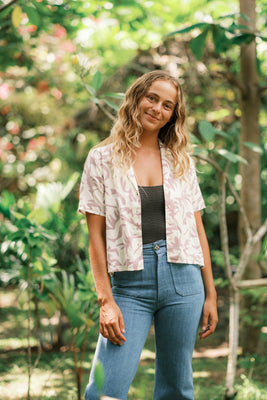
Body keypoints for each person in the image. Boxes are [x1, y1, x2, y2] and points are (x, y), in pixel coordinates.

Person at [78, 70, 218, 400]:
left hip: (184, 281)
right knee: (103, 391)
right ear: (137, 98)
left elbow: (197, 229)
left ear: (174, 115)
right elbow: (95, 236)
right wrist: (106, 300)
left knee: (176, 389)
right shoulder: (101, 159)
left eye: (168, 105)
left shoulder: (181, 160)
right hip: (130, 285)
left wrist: (210, 293)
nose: (157, 108)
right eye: (152, 98)